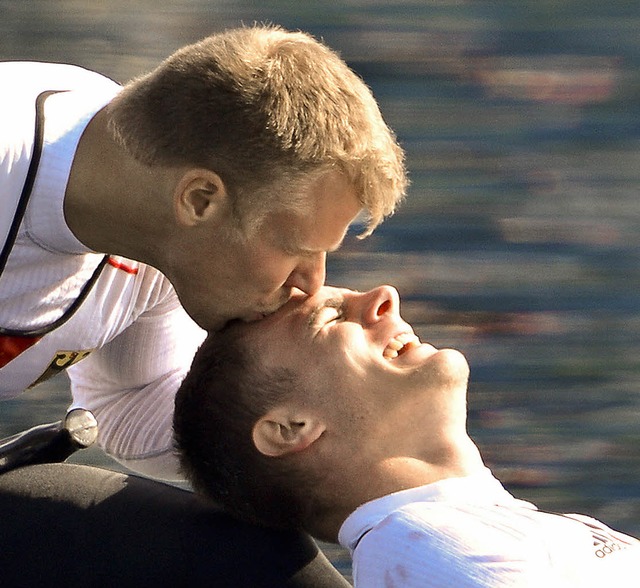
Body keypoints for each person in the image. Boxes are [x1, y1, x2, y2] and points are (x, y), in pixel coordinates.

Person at [0, 24, 405, 586]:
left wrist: (370, 466)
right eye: (298, 249)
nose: (312, 285)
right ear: (199, 199)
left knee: (253, 558)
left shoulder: (151, 209)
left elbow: (133, 402)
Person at [174, 284, 640, 587]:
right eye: (332, 319)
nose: (384, 297)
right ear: (290, 429)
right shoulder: (417, 543)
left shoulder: (456, 533)